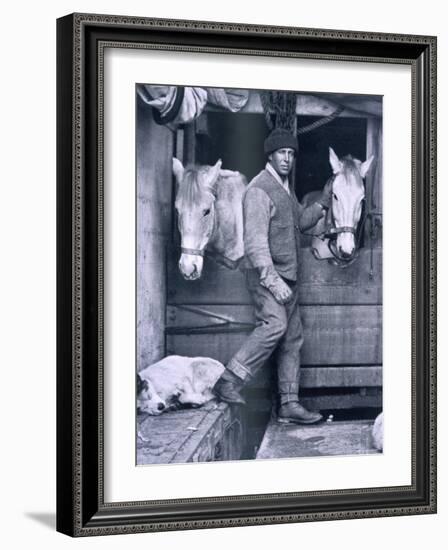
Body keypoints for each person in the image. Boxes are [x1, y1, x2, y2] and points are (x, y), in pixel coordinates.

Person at [213, 128, 331, 424]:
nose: (287, 159)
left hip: (288, 276)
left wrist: (324, 204)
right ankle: (229, 379)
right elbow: (254, 242)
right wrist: (272, 280)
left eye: (291, 154)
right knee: (274, 325)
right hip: (269, 277)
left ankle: (289, 404)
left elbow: (301, 222)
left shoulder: (284, 188)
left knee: (293, 338)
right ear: (270, 154)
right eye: (282, 153)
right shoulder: (259, 189)